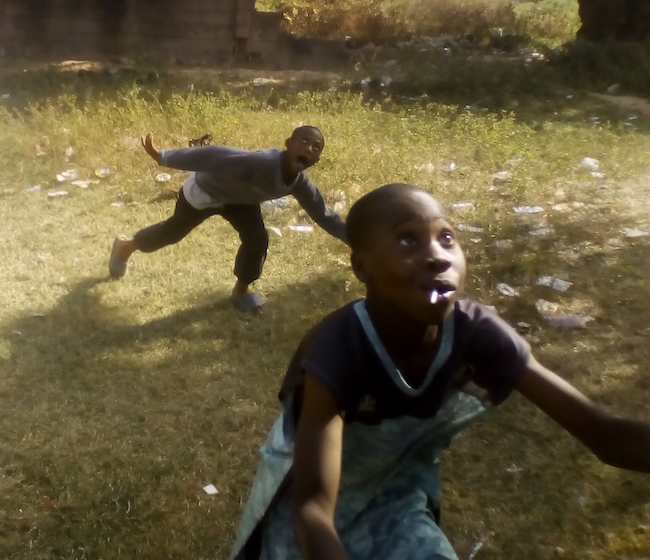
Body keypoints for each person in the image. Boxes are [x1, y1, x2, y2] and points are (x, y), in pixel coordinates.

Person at [229, 183, 650, 560]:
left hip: (396, 489)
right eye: (407, 240)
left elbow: (606, 436)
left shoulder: (478, 334)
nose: (436, 256)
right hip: (305, 504)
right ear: (362, 267)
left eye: (446, 237)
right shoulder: (340, 348)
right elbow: (313, 511)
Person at [107, 126, 347, 311]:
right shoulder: (261, 162)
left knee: (257, 240)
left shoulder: (300, 183)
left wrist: (355, 239)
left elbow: (322, 213)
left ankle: (240, 292)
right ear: (288, 144)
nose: (309, 148)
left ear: (317, 160)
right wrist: (163, 156)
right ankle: (125, 247)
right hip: (206, 191)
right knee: (172, 232)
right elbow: (213, 155)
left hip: (241, 202)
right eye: (303, 141)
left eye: (316, 148)